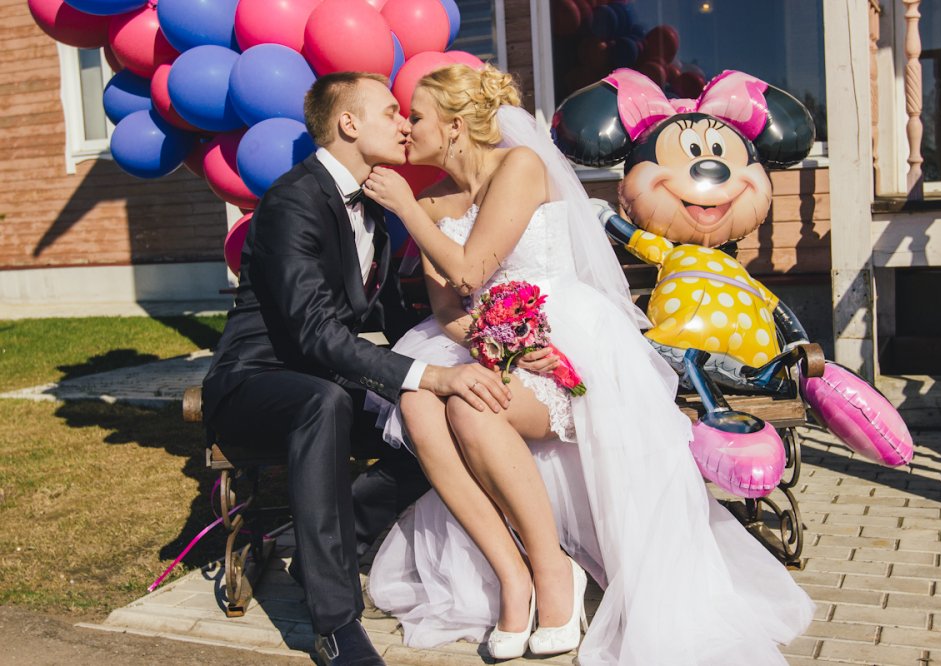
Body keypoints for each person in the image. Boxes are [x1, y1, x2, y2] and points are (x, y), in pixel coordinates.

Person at [362, 64, 816, 664]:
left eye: (415, 115)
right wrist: (497, 344)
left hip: (568, 342)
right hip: (490, 340)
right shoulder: (430, 200)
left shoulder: (518, 166)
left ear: (453, 125)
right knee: (417, 400)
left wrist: (406, 209)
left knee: (472, 411)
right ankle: (513, 575)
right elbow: (450, 309)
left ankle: (553, 571)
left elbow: (471, 270)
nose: (405, 126)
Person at [200, 71, 511, 666]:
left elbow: (394, 320)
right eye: (391, 111)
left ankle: (328, 548)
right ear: (348, 123)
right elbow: (314, 332)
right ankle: (335, 623)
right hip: (252, 383)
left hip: (324, 380)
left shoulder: (378, 207)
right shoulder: (292, 201)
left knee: (433, 423)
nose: (404, 123)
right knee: (325, 404)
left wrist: (473, 355)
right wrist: (427, 375)